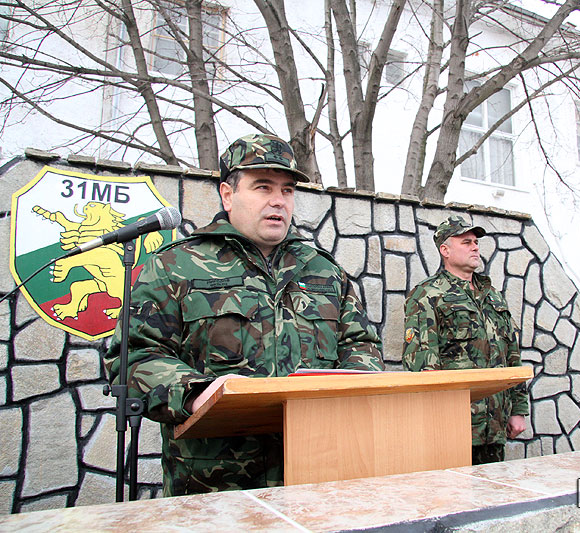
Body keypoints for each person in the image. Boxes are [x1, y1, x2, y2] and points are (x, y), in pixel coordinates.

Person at [104, 133, 384, 496]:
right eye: (263, 187)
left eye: (287, 190)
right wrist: (196, 393)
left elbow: (361, 346)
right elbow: (134, 355)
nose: (278, 201)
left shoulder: (324, 271)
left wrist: (352, 384)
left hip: (318, 474)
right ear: (227, 194)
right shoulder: (176, 265)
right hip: (215, 486)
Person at [402, 216, 529, 464]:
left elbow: (512, 355)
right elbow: (421, 365)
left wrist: (519, 410)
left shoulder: (493, 296)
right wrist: (433, 421)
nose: (475, 247)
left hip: (494, 426)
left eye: (476, 242)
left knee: (492, 495)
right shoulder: (427, 295)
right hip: (452, 425)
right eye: (466, 242)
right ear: (445, 250)